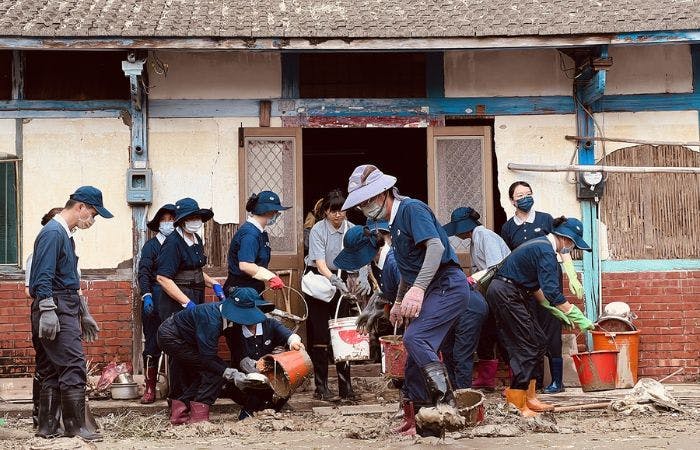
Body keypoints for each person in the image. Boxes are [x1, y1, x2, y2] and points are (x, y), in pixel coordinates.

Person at [341, 165, 469, 437]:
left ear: (384, 193)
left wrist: (419, 289)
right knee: (413, 358)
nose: (365, 208)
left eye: (367, 201)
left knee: (415, 339)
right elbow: (407, 270)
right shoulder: (393, 224)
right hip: (431, 288)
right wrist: (399, 299)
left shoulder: (412, 210)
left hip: (447, 284)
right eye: (361, 204)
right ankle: (426, 423)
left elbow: (435, 247)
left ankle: (446, 403)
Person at [486, 217, 594, 417]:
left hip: (516, 293)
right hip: (506, 293)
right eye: (572, 244)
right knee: (526, 346)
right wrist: (577, 315)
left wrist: (553, 309)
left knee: (538, 340)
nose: (571, 248)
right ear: (564, 238)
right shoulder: (545, 250)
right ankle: (517, 402)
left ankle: (530, 396)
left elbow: (535, 286)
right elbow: (552, 291)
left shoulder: (542, 246)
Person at [29, 186, 113, 441]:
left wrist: (83, 311)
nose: (93, 220)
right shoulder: (54, 233)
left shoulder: (64, 234)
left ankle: (48, 426)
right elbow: (42, 274)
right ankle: (77, 427)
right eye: (94, 214)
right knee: (74, 366)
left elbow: (66, 278)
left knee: (52, 369)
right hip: (55, 307)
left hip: (61, 305)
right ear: (81, 207)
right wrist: (47, 309)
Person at [501, 182, 584, 394]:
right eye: (520, 195)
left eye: (529, 193)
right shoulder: (508, 228)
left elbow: (563, 245)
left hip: (548, 282)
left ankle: (557, 381)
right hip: (526, 286)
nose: (525, 198)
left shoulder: (545, 219)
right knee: (530, 331)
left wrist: (571, 274)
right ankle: (533, 381)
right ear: (512, 200)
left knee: (551, 327)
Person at [157, 287, 271, 425]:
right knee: (215, 372)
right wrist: (232, 374)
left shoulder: (231, 318)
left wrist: (246, 362)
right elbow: (208, 359)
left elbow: (237, 344)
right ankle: (197, 418)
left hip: (188, 339)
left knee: (215, 371)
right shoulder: (211, 320)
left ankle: (180, 409)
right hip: (171, 337)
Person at [155, 197, 226, 401]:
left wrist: (213, 282)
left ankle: (193, 396)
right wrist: (187, 303)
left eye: (197, 217)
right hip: (176, 303)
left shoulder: (196, 240)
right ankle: (178, 398)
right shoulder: (172, 244)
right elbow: (163, 278)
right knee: (181, 351)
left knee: (195, 346)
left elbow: (195, 270)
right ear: (181, 221)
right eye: (190, 217)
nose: (195, 221)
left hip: (195, 296)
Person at [304, 189, 370, 402]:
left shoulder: (353, 229)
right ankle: (321, 387)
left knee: (343, 333)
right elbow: (320, 263)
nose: (338, 215)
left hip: (344, 282)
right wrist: (333, 279)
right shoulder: (317, 230)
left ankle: (346, 387)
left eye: (341, 210)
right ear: (325, 212)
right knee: (321, 336)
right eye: (333, 211)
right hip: (320, 282)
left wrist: (363, 276)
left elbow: (363, 255)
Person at [443, 206, 510, 390]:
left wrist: (470, 280)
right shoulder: (474, 240)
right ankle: (486, 379)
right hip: (487, 294)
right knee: (485, 335)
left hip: (502, 290)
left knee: (503, 336)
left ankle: (518, 382)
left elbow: (495, 267)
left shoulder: (485, 236)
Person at [224, 292, 305, 420]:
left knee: (285, 386)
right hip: (246, 379)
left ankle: (268, 410)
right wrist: (265, 370)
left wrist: (294, 342)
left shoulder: (271, 324)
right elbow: (243, 361)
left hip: (271, 376)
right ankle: (251, 410)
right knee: (253, 390)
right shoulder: (234, 331)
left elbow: (289, 335)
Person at [24, 207, 65, 429]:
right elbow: (31, 288)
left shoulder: (65, 248)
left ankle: (54, 418)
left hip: (64, 310)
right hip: (45, 310)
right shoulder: (38, 254)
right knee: (46, 364)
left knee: (59, 365)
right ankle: (41, 417)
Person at [137, 203, 176, 404]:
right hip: (154, 299)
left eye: (172, 220)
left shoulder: (179, 244)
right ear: (158, 223)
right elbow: (143, 273)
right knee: (152, 344)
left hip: (175, 300)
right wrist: (146, 295)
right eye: (165, 220)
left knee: (178, 342)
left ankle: (177, 389)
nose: (168, 223)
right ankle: (150, 387)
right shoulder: (151, 246)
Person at [224, 191, 289, 294]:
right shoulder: (250, 234)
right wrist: (271, 277)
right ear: (268, 211)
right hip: (241, 291)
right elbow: (245, 265)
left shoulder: (260, 232)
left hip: (253, 287)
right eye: (276, 211)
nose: (277, 214)